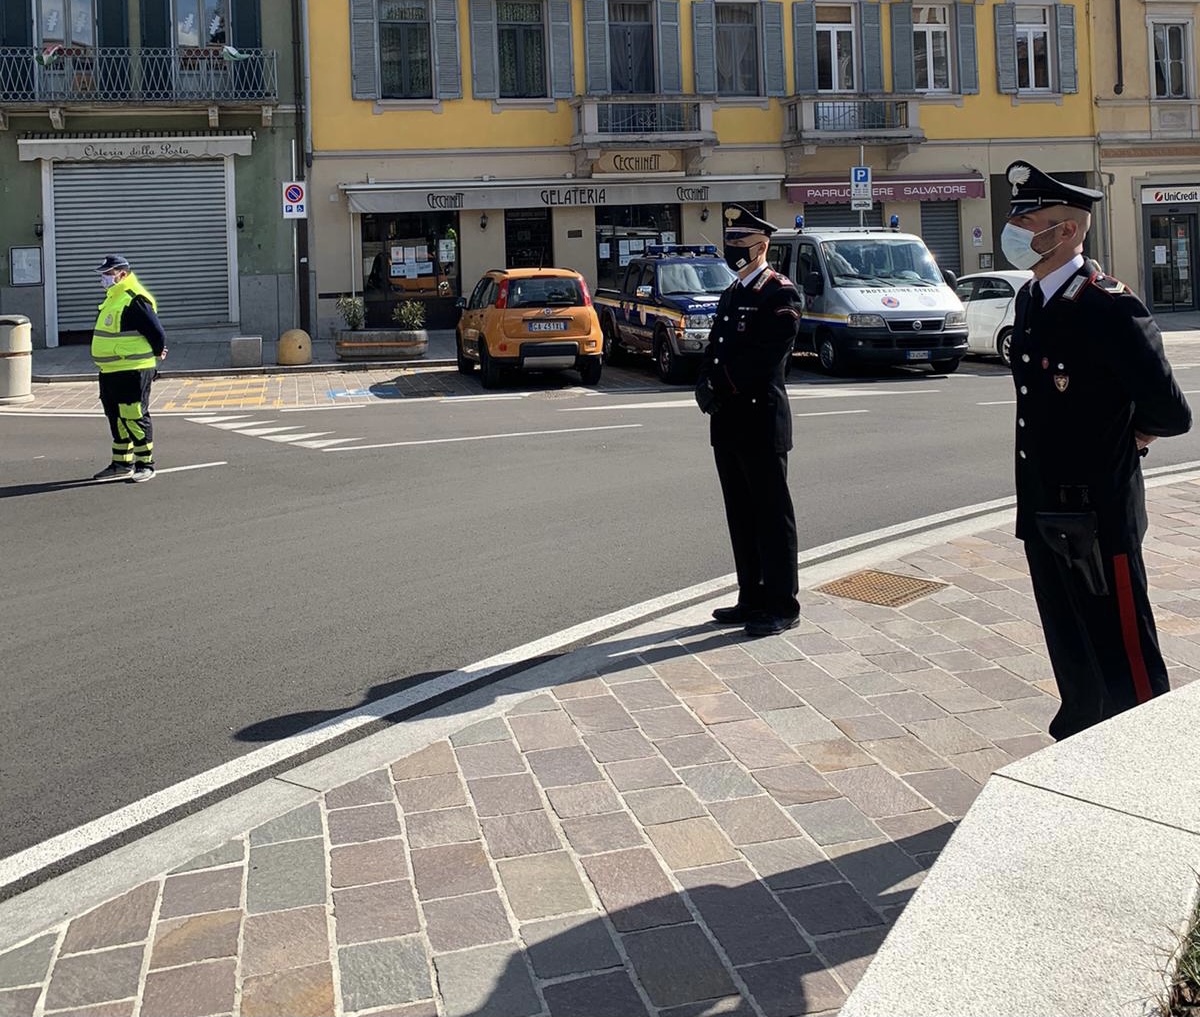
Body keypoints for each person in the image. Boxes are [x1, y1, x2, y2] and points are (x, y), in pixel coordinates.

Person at [1003, 160, 1192, 739]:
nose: (1016, 229)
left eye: (1028, 218)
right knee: (1068, 638)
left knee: (1124, 655)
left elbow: (1170, 410)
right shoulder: (1035, 298)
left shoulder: (1108, 306)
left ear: (1066, 231)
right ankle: (1082, 732)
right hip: (1044, 508)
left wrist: (1135, 436)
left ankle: (1142, 755)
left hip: (1098, 517)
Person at [696, 205, 804, 637]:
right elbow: (716, 345)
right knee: (741, 515)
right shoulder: (733, 292)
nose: (733, 250)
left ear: (762, 246)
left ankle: (782, 603)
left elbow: (765, 358)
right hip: (728, 422)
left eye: (740, 243)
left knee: (771, 517)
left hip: (760, 419)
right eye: (730, 243)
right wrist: (702, 381)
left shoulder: (779, 293)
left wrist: (719, 383)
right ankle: (751, 596)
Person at [90, 254, 168, 483]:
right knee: (115, 416)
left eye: (107, 274)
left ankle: (146, 464)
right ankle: (122, 463)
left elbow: (157, 332)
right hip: (111, 371)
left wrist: (157, 351)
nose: (103, 278)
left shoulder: (134, 298)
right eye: (103, 274)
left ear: (122, 274)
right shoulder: (113, 297)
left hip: (133, 369)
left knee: (133, 415)